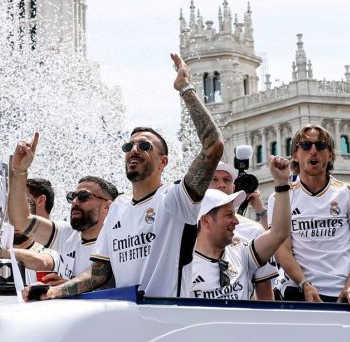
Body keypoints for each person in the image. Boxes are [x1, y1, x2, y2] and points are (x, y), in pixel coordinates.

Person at [36, 53, 224, 300]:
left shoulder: (176, 198)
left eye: (145, 146)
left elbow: (213, 147)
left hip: (169, 322)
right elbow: (98, 273)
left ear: (163, 162)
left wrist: (185, 88)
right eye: (129, 146)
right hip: (128, 323)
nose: (134, 150)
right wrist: (54, 291)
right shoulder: (118, 207)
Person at [271, 125, 350, 308]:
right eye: (306, 146)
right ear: (295, 154)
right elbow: (282, 251)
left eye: (321, 145)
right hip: (298, 291)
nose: (314, 151)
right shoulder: (281, 196)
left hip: (341, 294)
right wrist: (304, 284)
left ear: (331, 154)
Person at [180, 156, 292, 299]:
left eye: (227, 179)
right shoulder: (183, 267)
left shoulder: (242, 253)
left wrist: (282, 184)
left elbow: (279, 232)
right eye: (228, 215)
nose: (236, 221)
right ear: (206, 221)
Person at [7, 156, 118, 285]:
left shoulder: (117, 240)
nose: (75, 202)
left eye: (83, 196)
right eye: (72, 196)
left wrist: (65, 289)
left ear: (107, 206)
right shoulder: (67, 234)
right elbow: (21, 220)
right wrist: (20, 171)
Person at [207, 162, 278, 300]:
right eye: (213, 179)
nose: (221, 184)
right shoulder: (187, 227)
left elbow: (265, 293)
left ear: (233, 187)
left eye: (226, 180)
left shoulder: (254, 230)